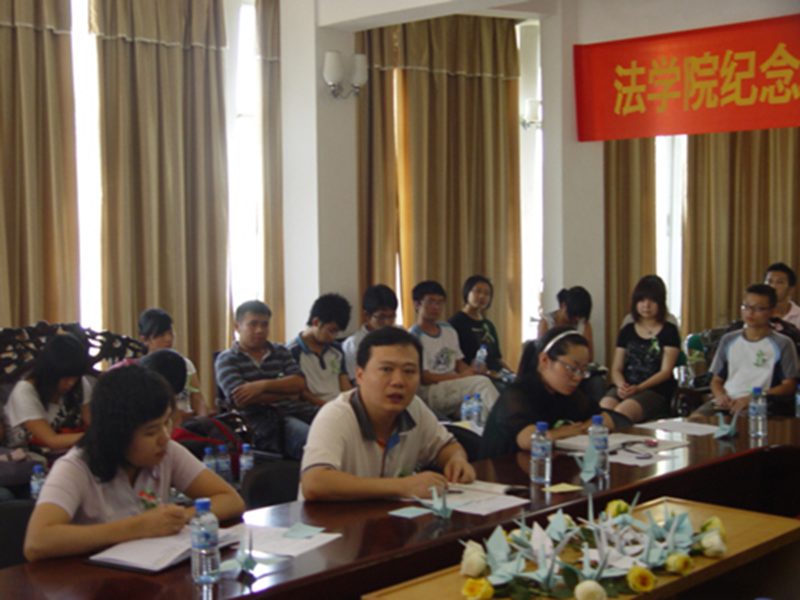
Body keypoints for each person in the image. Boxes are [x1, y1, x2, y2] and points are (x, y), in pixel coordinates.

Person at [23, 366, 244, 561]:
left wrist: (178, 519)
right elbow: (37, 541)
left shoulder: (167, 451)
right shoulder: (75, 467)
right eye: (150, 432)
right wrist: (137, 527)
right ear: (117, 434)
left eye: (166, 423)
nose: (164, 437)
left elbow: (230, 500)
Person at [300, 327, 475, 501]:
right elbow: (314, 482)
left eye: (409, 371)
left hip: (383, 516)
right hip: (333, 518)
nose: (398, 381)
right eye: (386, 369)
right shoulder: (336, 416)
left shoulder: (414, 408)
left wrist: (457, 460)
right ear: (360, 375)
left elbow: (446, 446)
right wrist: (403, 486)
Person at [481, 327, 616, 459]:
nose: (577, 377)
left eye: (583, 370)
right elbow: (528, 440)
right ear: (544, 360)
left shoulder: (568, 393)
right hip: (505, 468)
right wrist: (563, 432)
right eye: (572, 368)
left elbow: (606, 419)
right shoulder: (518, 394)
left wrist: (581, 429)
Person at [215, 300, 314, 460]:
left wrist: (262, 385)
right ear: (237, 327)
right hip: (261, 420)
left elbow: (299, 383)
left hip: (300, 410)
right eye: (253, 324)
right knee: (311, 441)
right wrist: (287, 393)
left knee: (342, 430)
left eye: (264, 324)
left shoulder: (280, 351)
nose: (260, 330)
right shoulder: (227, 359)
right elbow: (241, 398)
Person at [692, 284, 799, 417]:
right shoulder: (728, 340)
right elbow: (716, 380)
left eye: (758, 308)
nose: (750, 313)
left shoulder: (783, 343)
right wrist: (720, 396)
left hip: (759, 404)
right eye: (746, 307)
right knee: (694, 420)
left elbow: (789, 386)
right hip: (726, 402)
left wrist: (754, 397)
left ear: (772, 311)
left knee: (741, 422)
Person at [408, 281, 499, 420]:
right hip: (431, 391)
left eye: (440, 303)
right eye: (431, 302)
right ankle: (509, 424)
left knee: (479, 407)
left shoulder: (448, 330)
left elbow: (458, 363)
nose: (436, 307)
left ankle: (484, 433)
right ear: (417, 304)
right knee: (482, 383)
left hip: (453, 387)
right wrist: (462, 377)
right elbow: (425, 378)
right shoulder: (414, 336)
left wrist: (471, 371)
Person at [600, 276, 681, 422]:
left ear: (661, 302)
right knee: (603, 409)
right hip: (626, 386)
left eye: (652, 301)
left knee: (621, 412)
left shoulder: (669, 331)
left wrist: (638, 388)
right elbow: (616, 368)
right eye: (641, 300)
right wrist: (622, 386)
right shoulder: (627, 330)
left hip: (655, 390)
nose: (646, 306)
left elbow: (665, 372)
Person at [4, 333, 92, 451]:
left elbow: (91, 421)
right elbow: (51, 440)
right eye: (66, 377)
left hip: (70, 454)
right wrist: (92, 438)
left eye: (75, 377)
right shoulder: (24, 392)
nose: (71, 383)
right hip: (29, 456)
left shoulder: (80, 384)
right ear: (50, 372)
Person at [137, 308, 208, 425]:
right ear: (144, 339)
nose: (168, 339)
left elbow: (198, 398)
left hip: (189, 424)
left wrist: (203, 421)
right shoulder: (142, 370)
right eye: (161, 335)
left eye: (170, 333)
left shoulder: (185, 364)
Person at [288, 293, 353, 404]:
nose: (333, 337)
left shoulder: (336, 350)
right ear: (316, 322)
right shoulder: (292, 351)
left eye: (337, 332)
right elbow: (302, 392)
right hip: (314, 407)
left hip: (339, 405)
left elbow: (344, 384)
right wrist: (328, 407)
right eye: (331, 331)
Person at [448, 274, 514, 376]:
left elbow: (497, 358)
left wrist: (513, 374)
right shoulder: (456, 323)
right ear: (467, 292)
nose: (482, 296)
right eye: (477, 291)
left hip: (496, 375)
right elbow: (455, 361)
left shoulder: (488, 325)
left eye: (487, 293)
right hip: (474, 377)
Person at [343, 285, 399, 381]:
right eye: (381, 317)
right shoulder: (354, 344)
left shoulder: (400, 337)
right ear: (367, 315)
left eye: (392, 316)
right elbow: (355, 380)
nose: (388, 322)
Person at [538, 287, 595, 360]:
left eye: (580, 316)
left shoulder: (583, 325)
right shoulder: (546, 323)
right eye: (574, 315)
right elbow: (541, 354)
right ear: (563, 306)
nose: (577, 320)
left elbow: (589, 357)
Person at [764, 262, 800, 329]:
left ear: (791, 289)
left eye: (779, 282)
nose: (773, 286)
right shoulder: (754, 313)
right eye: (769, 281)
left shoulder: (798, 316)